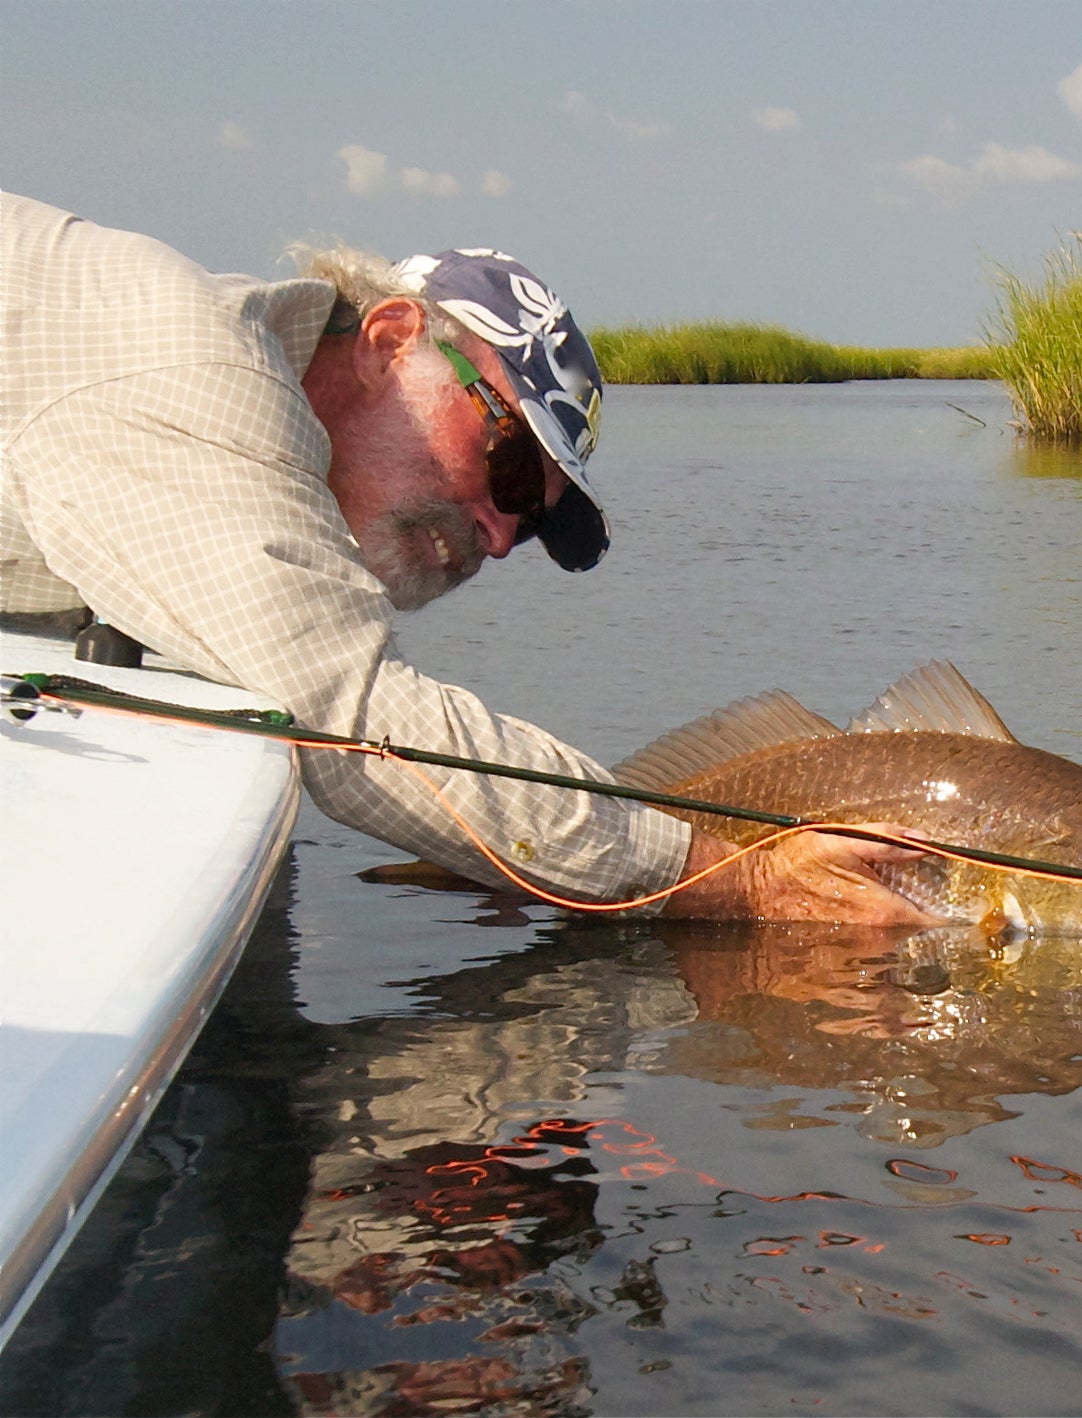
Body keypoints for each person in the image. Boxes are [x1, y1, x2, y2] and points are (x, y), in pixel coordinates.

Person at [0, 192, 934, 925]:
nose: (496, 534)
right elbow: (352, 718)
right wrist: (722, 876)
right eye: (512, 464)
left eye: (530, 517)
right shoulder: (200, 381)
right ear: (391, 342)